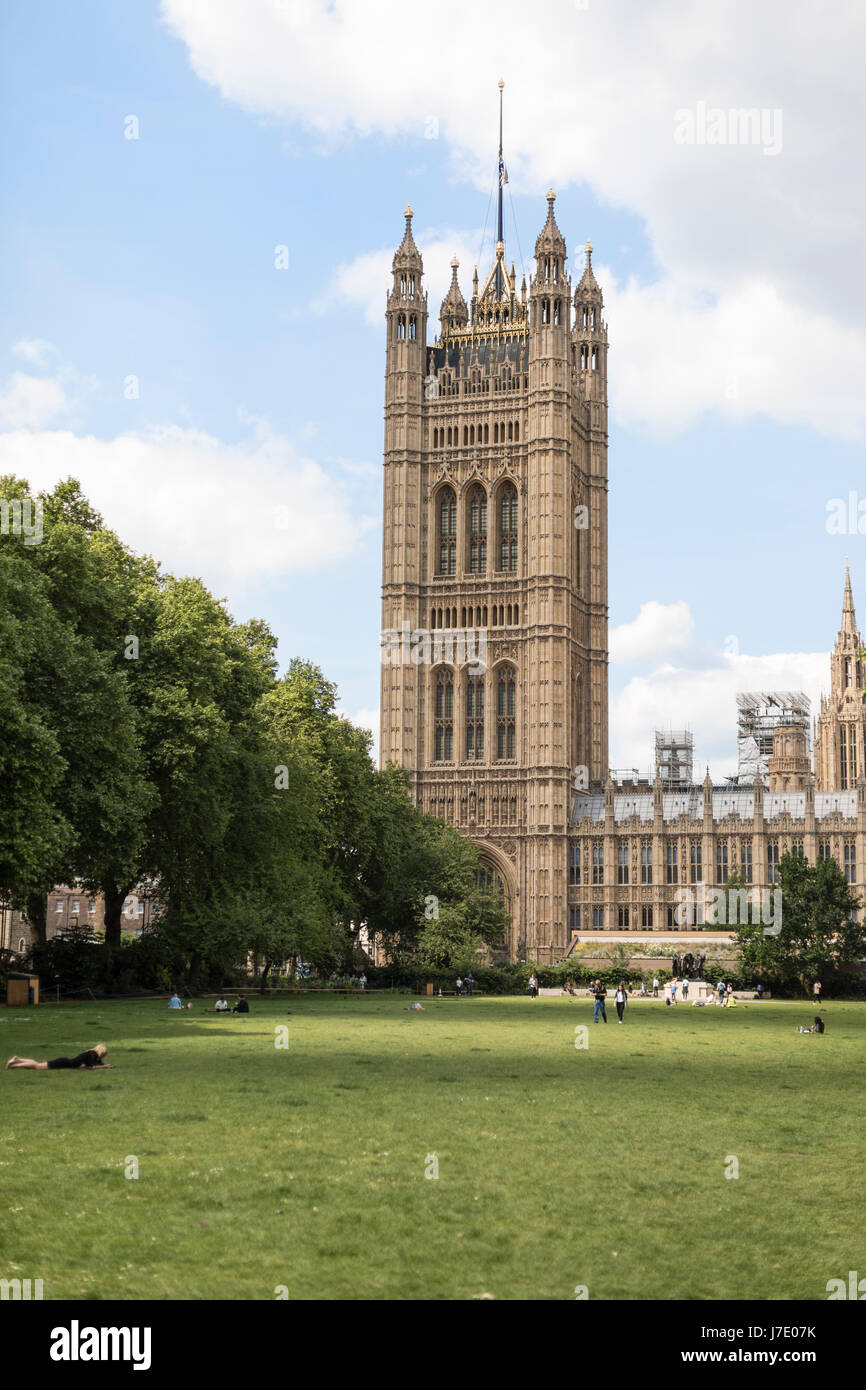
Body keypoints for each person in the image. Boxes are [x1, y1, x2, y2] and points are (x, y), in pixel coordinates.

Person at [7, 1043, 112, 1071]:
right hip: (63, 1063)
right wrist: (105, 1067)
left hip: (64, 1061)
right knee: (37, 1066)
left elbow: (94, 1064)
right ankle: (13, 1065)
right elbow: (92, 1067)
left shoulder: (91, 1053)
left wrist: (103, 1065)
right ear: (100, 1052)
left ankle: (17, 1060)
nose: (102, 1056)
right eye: (103, 1054)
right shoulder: (92, 1054)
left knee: (37, 1064)